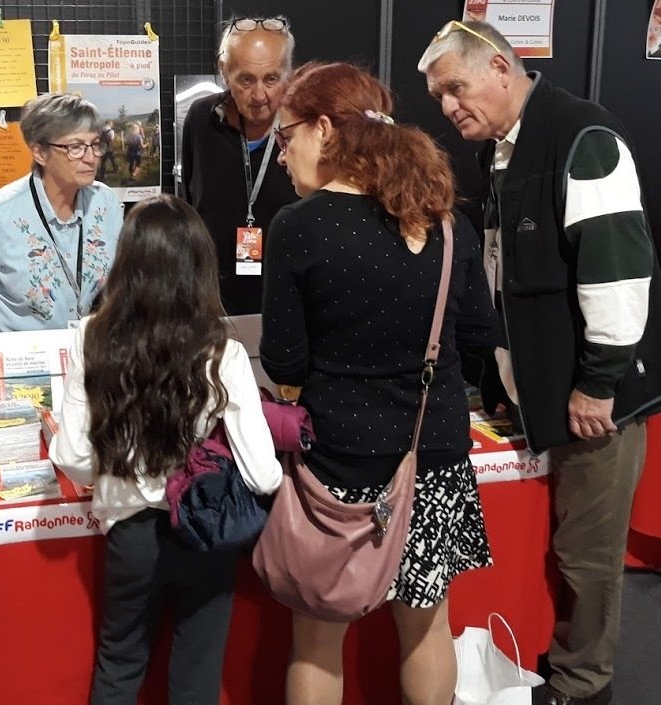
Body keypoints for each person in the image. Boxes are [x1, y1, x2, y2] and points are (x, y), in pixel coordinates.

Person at [418, 20, 661, 705]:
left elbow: (617, 274)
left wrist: (598, 383)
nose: (447, 107)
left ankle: (585, 684)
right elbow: (509, 279)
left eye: (455, 88)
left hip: (596, 403)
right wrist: (502, 377)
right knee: (563, 545)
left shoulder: (582, 136)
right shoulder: (502, 150)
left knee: (588, 554)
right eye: (438, 96)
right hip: (545, 396)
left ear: (499, 67)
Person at [259, 61, 499, 705]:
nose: (283, 155)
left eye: (286, 136)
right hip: (434, 456)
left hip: (337, 462)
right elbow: (479, 333)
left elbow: (283, 361)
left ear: (327, 128)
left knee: (316, 636)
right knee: (428, 629)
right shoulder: (448, 224)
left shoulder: (299, 229)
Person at [50, 194, 282, 705]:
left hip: (130, 533)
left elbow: (73, 457)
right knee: (196, 678)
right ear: (199, 265)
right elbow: (264, 475)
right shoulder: (223, 349)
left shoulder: (92, 337)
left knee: (118, 666)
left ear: (126, 261)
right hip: (203, 527)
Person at [0, 92, 124, 333]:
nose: (91, 158)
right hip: (18, 366)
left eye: (95, 144)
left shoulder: (106, 203)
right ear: (39, 152)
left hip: (84, 360)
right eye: (75, 147)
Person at [181, 16, 298, 315]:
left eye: (272, 79)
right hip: (212, 302)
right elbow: (192, 204)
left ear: (289, 73)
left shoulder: (305, 131)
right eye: (246, 80)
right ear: (224, 72)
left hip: (288, 303)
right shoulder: (201, 119)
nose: (260, 96)